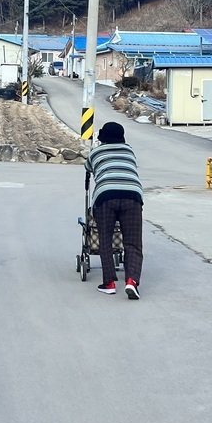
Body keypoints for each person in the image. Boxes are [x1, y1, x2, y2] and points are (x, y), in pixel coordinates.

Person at [85, 121, 144, 299]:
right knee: (133, 243)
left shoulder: (95, 152)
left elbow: (88, 168)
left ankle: (109, 283)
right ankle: (132, 281)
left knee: (105, 240)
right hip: (132, 197)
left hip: (105, 197)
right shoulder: (129, 150)